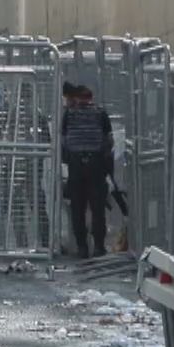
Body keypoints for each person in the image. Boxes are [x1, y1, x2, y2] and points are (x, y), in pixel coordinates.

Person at [62, 84, 115, 259]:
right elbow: (109, 141)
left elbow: (64, 141)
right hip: (96, 165)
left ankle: (82, 247)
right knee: (97, 208)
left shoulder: (69, 114)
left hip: (76, 165)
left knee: (78, 208)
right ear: (91, 98)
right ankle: (99, 246)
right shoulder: (101, 114)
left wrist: (69, 158)